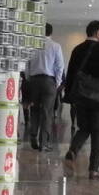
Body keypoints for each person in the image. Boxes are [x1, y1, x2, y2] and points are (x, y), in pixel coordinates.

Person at [63, 20, 99, 178]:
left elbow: (71, 73)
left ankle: (73, 150)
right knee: (98, 131)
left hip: (81, 96)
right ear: (97, 32)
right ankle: (93, 169)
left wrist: (69, 95)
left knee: (84, 127)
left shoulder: (77, 49)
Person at [23, 22, 64, 150]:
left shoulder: (31, 46)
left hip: (34, 80)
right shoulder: (55, 46)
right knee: (47, 112)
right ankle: (44, 143)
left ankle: (33, 137)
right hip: (49, 81)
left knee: (34, 110)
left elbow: (26, 66)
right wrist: (56, 82)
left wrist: (29, 78)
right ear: (50, 33)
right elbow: (60, 66)